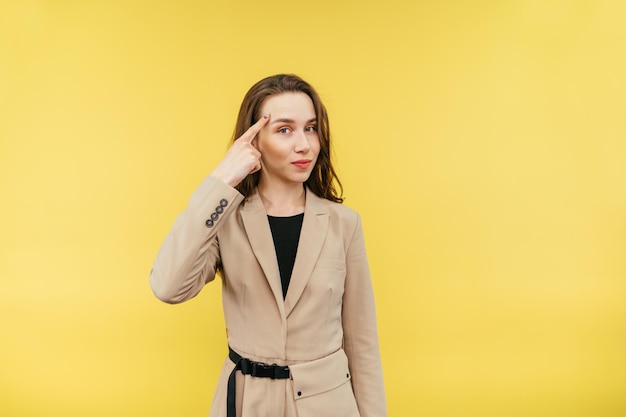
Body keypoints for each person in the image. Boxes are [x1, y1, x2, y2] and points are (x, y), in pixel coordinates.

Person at [150, 74, 386, 417]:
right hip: (248, 403)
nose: (304, 144)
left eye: (311, 128)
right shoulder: (224, 218)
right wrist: (220, 181)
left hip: (328, 405)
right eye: (285, 129)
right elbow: (167, 286)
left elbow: (362, 343)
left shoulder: (344, 223)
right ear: (253, 140)